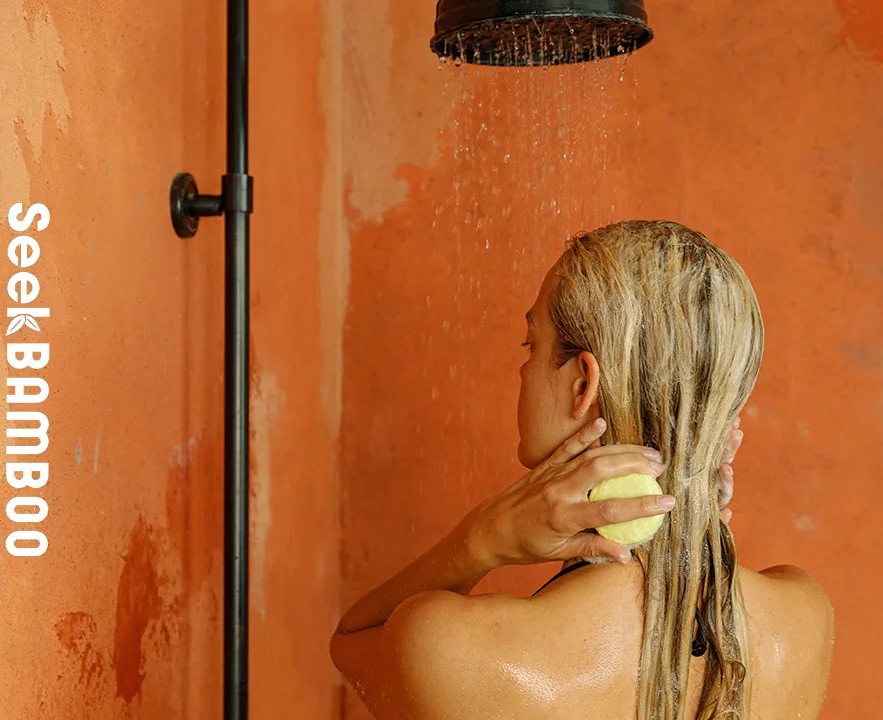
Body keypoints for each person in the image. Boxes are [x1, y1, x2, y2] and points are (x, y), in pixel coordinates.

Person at [330, 220, 834, 719]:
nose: (524, 368)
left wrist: (482, 538)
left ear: (582, 386)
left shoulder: (455, 649)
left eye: (532, 343)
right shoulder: (804, 617)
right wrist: (688, 503)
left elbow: (352, 644)